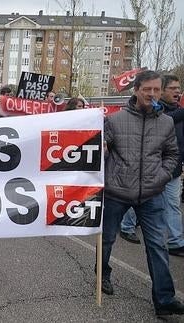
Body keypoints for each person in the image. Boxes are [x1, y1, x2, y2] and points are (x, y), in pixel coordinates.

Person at [98, 70, 184, 316]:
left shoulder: (166, 122)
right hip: (117, 192)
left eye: (157, 89)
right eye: (148, 89)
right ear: (136, 90)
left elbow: (171, 154)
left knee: (158, 245)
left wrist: (162, 176)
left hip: (152, 194)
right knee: (107, 239)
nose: (152, 94)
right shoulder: (114, 120)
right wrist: (103, 151)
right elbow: (101, 153)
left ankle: (164, 299)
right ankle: (102, 274)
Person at [119, 75, 184, 256]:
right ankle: (127, 226)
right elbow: (163, 119)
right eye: (173, 88)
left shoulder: (178, 112)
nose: (177, 92)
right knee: (135, 201)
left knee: (172, 205)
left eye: (179, 88)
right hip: (147, 170)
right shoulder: (155, 110)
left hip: (172, 170)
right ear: (163, 91)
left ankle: (176, 241)